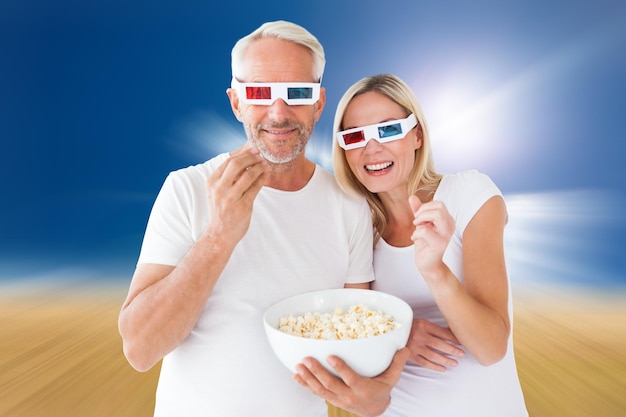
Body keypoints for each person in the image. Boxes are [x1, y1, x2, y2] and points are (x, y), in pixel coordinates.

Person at [117, 22, 408, 417]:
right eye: (258, 92)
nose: (279, 112)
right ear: (236, 102)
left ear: (319, 104)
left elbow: (358, 341)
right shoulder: (186, 189)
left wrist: (376, 393)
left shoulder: (348, 205)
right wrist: (219, 237)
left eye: (297, 93)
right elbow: (140, 348)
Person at [325, 74, 528, 416]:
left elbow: (491, 348)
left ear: (417, 135)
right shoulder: (354, 227)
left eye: (388, 130)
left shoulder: (470, 195)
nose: (371, 148)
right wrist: (399, 334)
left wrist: (435, 270)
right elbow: (349, 341)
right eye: (355, 136)